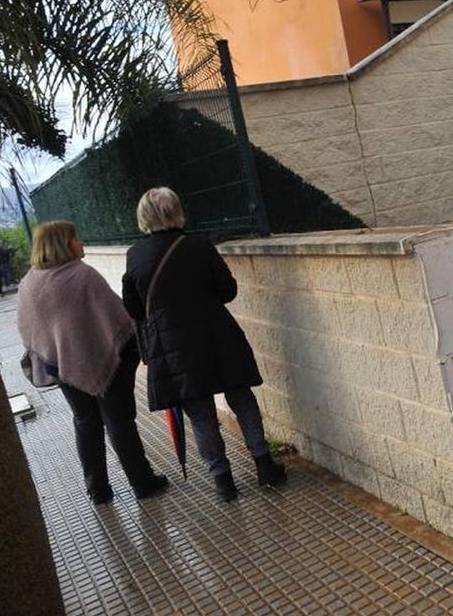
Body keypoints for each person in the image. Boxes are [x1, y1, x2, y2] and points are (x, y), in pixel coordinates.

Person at [122, 187, 286, 502]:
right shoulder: (198, 245)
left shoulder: (135, 256)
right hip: (216, 335)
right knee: (240, 395)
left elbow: (134, 308)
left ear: (144, 218)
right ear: (177, 211)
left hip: (172, 346)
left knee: (200, 413)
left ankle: (223, 481)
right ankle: (264, 463)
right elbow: (227, 290)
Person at [17, 221, 169, 505]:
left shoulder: (28, 283)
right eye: (76, 239)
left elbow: (29, 330)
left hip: (62, 368)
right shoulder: (82, 275)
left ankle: (97, 489)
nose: (82, 243)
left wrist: (57, 355)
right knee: (119, 422)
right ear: (62, 244)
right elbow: (120, 319)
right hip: (108, 365)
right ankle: (142, 482)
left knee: (85, 422)